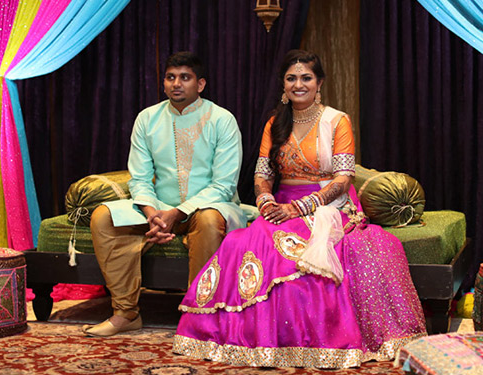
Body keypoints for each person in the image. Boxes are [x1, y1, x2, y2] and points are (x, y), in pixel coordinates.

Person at [172, 50, 427, 368]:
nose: (298, 84)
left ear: (319, 83)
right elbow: (263, 173)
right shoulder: (274, 123)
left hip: (328, 204)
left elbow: (343, 179)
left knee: (305, 254)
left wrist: (300, 208)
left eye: (306, 78)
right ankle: (249, 338)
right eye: (291, 78)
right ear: (283, 84)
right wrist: (265, 201)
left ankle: (311, 340)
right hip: (281, 204)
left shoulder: (337, 121)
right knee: (245, 243)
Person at [82, 51, 247, 337]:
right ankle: (125, 313)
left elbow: (224, 184)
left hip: (211, 207)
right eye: (171, 77)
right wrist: (152, 214)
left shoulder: (222, 120)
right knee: (103, 217)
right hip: (158, 208)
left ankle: (200, 316)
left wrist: (178, 213)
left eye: (185, 77)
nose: (176, 84)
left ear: (201, 84)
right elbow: (140, 178)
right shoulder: (147, 119)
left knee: (208, 222)